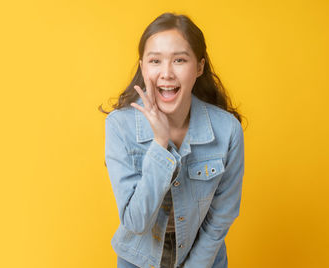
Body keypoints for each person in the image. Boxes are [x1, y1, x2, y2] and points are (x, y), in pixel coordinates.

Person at [99, 12, 245, 268]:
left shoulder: (228, 130)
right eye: (155, 61)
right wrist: (160, 143)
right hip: (138, 259)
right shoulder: (119, 127)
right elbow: (135, 222)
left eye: (179, 60)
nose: (166, 73)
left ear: (199, 67)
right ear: (143, 66)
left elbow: (222, 216)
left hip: (205, 257)